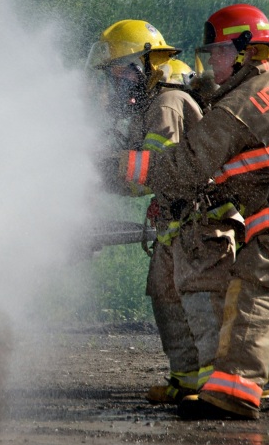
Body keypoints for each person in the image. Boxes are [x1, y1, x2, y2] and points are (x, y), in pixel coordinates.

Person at [112, 4, 269, 419]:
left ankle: (232, 392)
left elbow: (183, 168)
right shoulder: (255, 92)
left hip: (215, 223)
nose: (211, 63)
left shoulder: (241, 104)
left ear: (247, 50)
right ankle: (218, 386)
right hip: (234, 220)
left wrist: (110, 166)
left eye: (219, 52)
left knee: (250, 293)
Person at [88, 20, 237, 403]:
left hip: (200, 223)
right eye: (112, 74)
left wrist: (100, 170)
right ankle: (186, 379)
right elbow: (141, 179)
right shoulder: (152, 106)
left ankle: (212, 386)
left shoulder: (168, 104)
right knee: (166, 296)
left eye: (121, 72)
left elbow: (156, 170)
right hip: (176, 224)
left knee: (199, 300)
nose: (116, 83)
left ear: (148, 65)